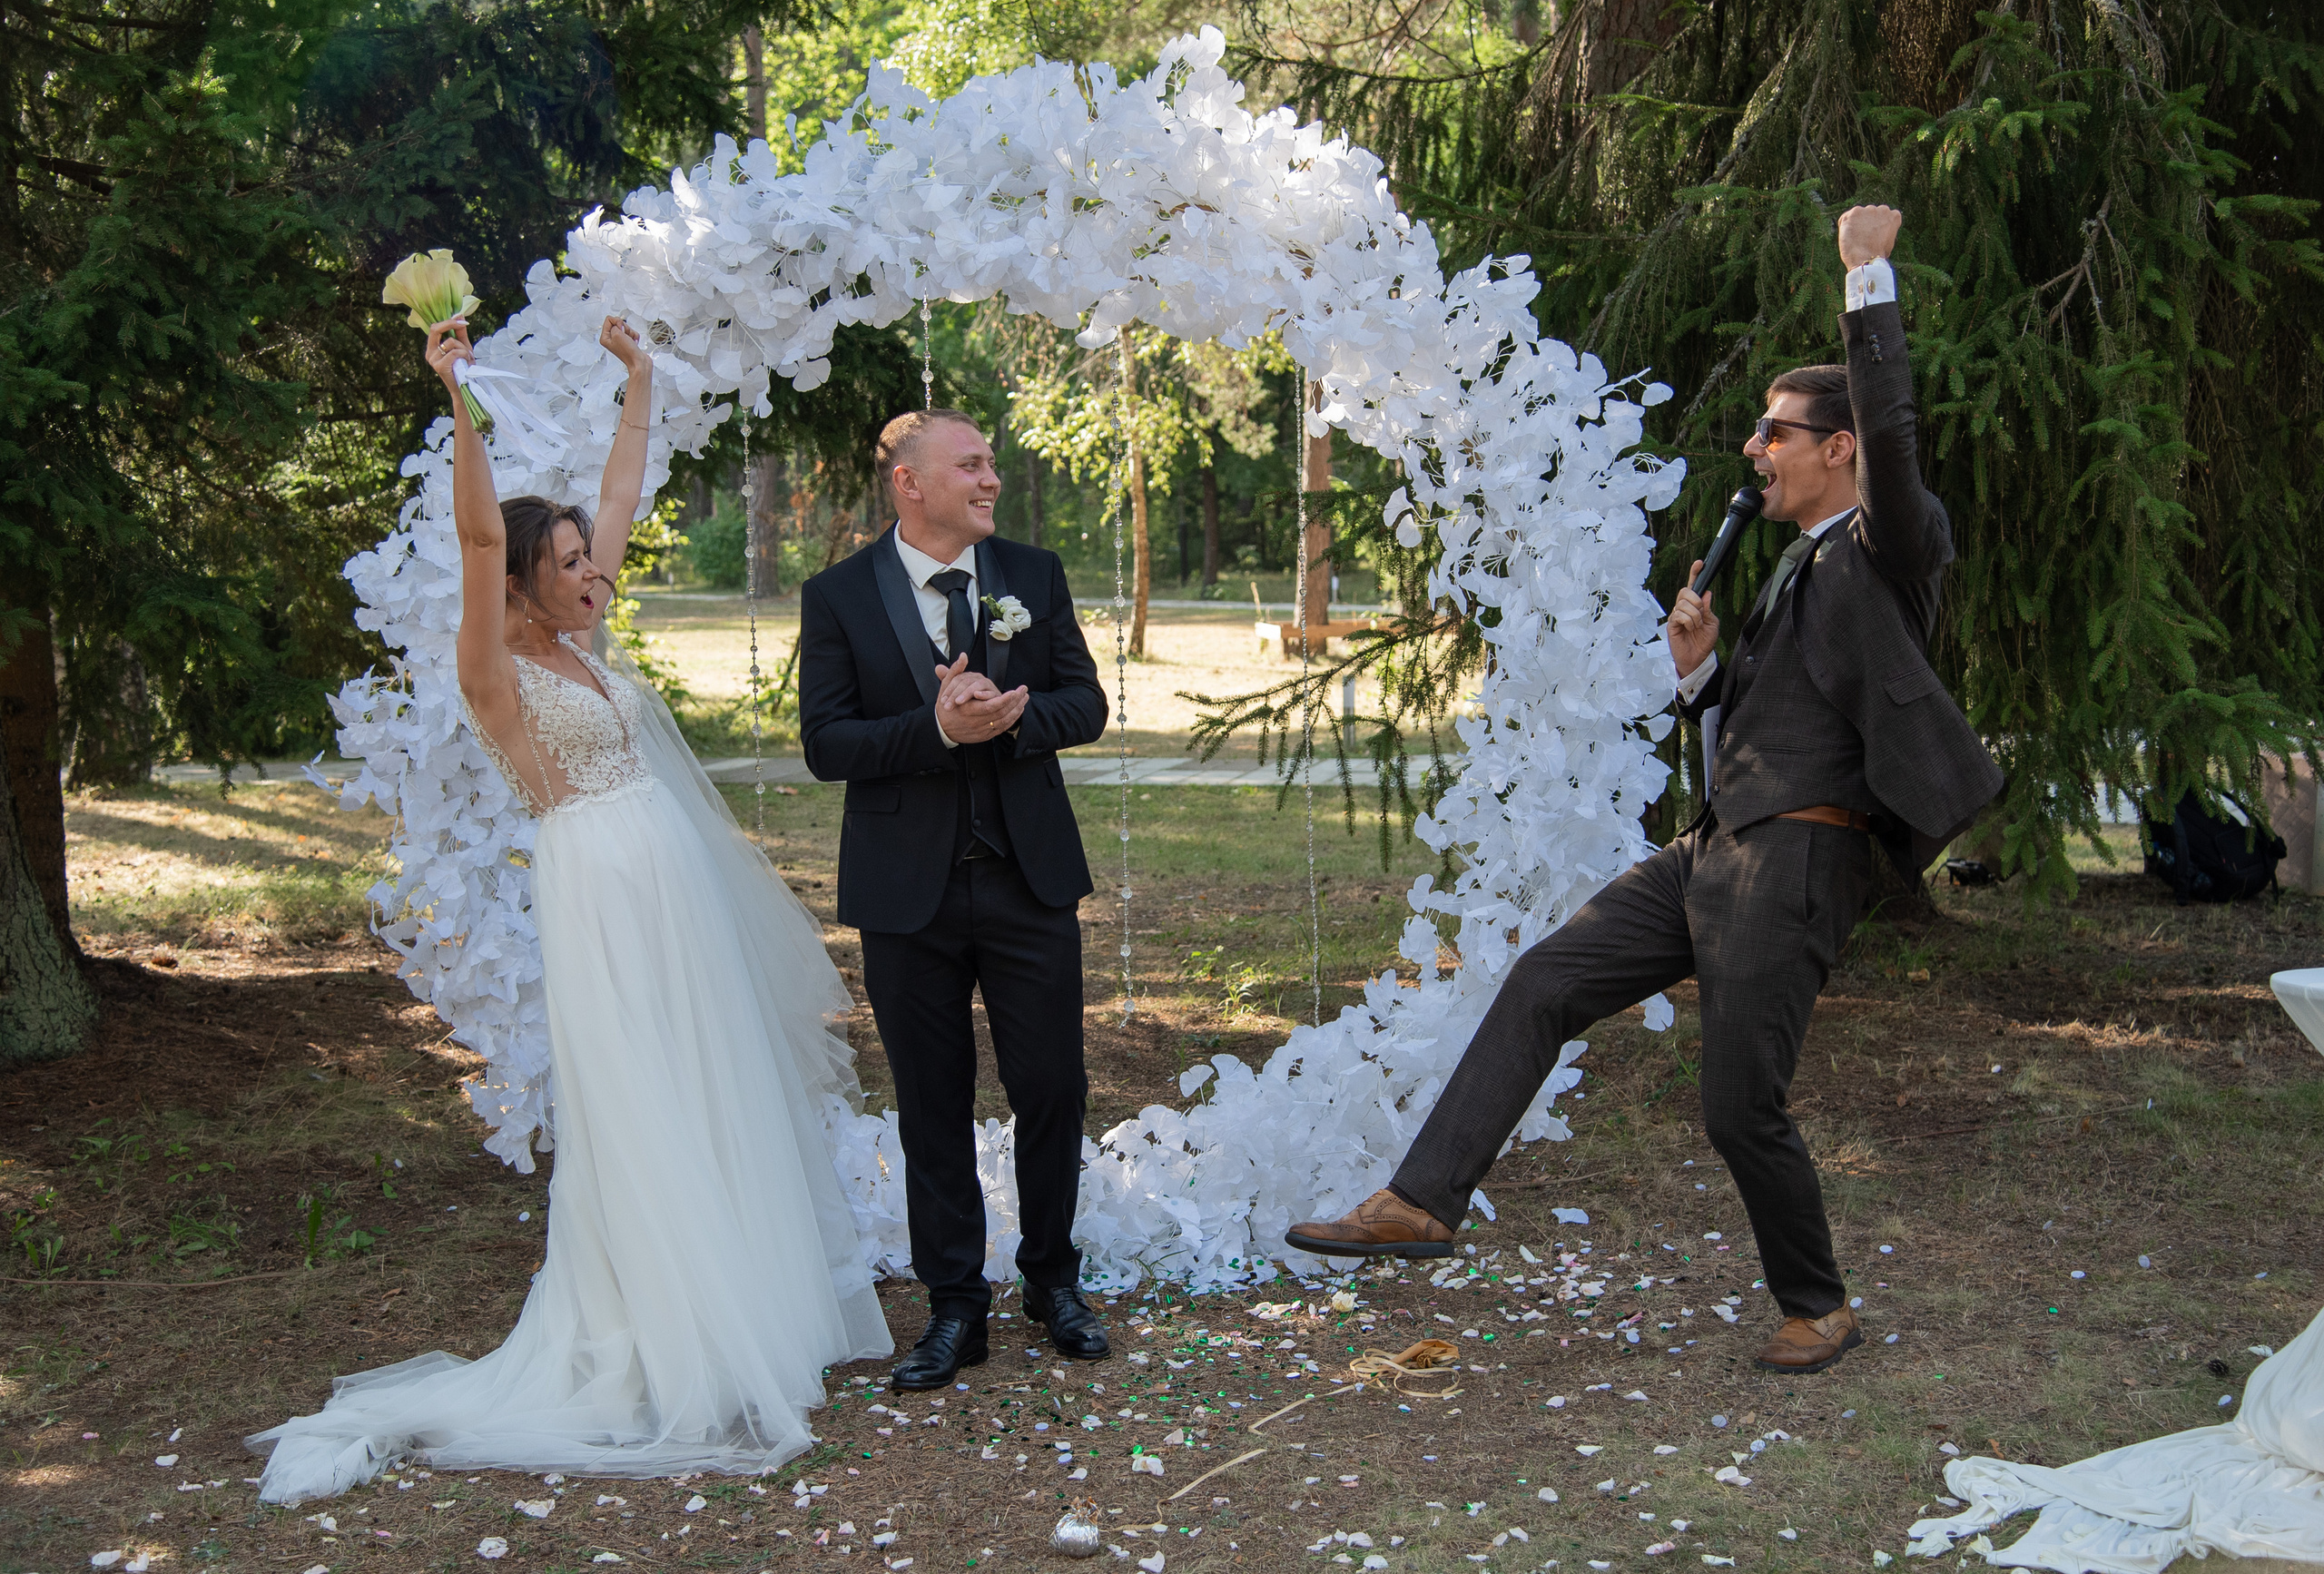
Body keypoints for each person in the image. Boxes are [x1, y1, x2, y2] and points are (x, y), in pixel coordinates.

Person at [1285, 205, 2003, 1375]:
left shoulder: (1892, 542)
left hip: (1799, 859)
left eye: (1778, 433)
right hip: (1715, 845)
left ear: (1841, 448)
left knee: (1738, 1108)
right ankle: (1422, 1200)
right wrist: (1702, 674)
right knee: (1543, 978)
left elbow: (1898, 436)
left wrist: (1867, 285)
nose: (1754, 451)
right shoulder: (1789, 565)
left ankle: (1818, 1304)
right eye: (1755, 433)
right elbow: (1759, 735)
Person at [249, 314, 891, 1502]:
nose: (596, 572)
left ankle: (745, 1298)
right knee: (638, 1095)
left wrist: (642, 377)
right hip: (595, 888)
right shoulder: (494, 667)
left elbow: (618, 480)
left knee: (707, 1074)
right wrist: (455, 399)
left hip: (674, 887)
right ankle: (662, 1328)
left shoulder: (590, 637)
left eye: (595, 556)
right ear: (523, 585)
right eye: (570, 564)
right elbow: (480, 527)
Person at [796, 408, 1110, 1391]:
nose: (990, 480)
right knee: (931, 1102)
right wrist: (933, 729)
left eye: (990, 465)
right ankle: (954, 1306)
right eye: (970, 465)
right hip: (905, 892)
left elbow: (1086, 704)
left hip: (1028, 880)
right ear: (909, 482)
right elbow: (826, 744)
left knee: (1051, 1087)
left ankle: (1053, 1282)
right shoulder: (838, 594)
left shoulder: (1033, 573)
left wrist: (1012, 722)